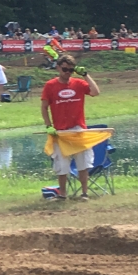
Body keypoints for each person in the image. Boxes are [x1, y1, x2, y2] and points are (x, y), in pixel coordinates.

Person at [41, 55, 101, 200]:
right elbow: (44, 107)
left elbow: (95, 92)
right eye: (65, 69)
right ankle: (62, 194)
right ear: (58, 68)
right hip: (60, 132)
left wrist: (85, 75)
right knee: (61, 165)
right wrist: (48, 125)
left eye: (71, 70)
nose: (67, 72)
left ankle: (84, 193)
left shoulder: (79, 84)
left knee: (83, 163)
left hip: (78, 130)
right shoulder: (50, 85)